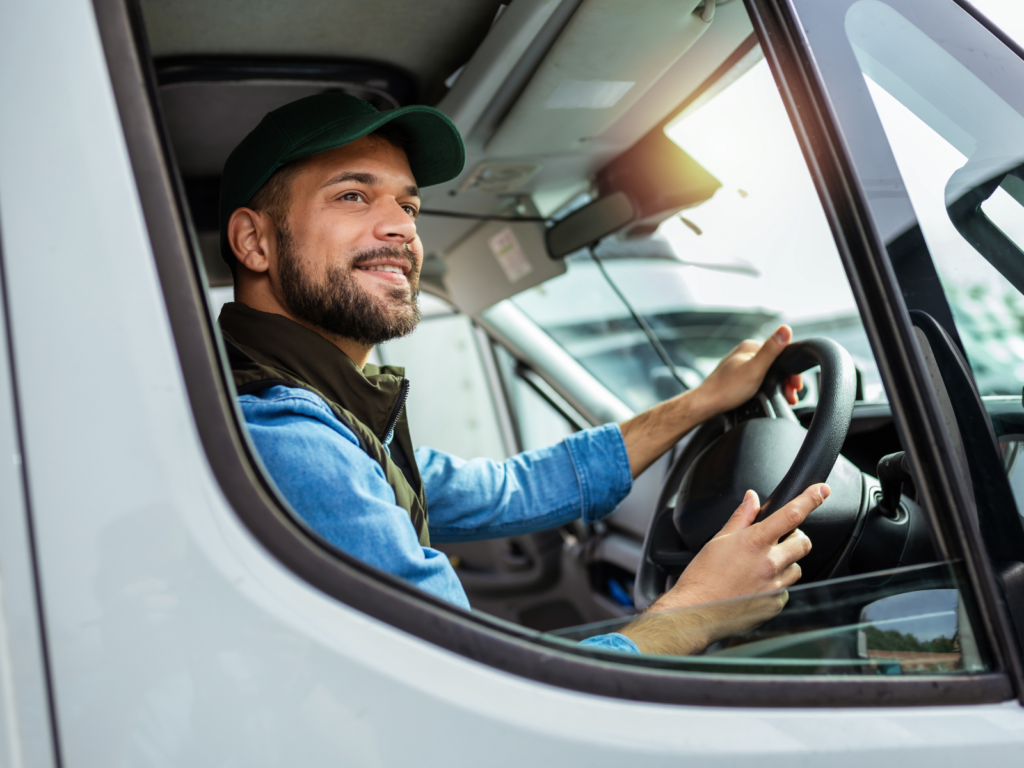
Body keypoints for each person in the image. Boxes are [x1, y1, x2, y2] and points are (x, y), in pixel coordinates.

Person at [217, 93, 827, 656]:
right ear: (254, 241)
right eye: (353, 195)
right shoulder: (288, 438)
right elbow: (474, 694)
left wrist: (700, 402)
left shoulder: (328, 416)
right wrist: (699, 609)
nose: (402, 226)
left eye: (407, 204)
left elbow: (510, 489)